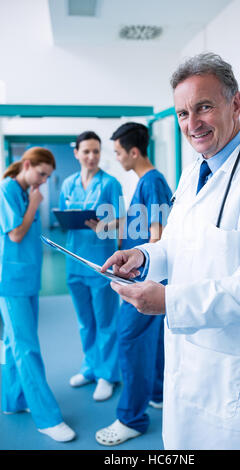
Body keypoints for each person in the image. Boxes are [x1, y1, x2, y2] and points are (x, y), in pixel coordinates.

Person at [99, 53, 240, 450]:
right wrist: (145, 256)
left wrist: (170, 300)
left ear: (235, 104)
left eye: (204, 107)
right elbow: (180, 242)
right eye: (182, 113)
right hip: (188, 361)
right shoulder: (195, 170)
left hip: (238, 373)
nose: (192, 124)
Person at [95, 122, 172, 446]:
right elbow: (142, 221)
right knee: (151, 342)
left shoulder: (152, 181)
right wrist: (112, 224)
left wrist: (139, 274)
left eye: (118, 153)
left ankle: (132, 418)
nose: (117, 158)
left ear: (134, 151)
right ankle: (156, 393)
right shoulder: (146, 182)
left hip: (145, 280)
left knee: (129, 342)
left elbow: (157, 236)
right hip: (145, 275)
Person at [0, 147, 76, 442]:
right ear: (27, 165)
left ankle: (13, 400)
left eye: (47, 178)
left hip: (27, 278)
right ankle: (47, 418)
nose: (43, 181)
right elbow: (15, 234)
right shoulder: (8, 188)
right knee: (26, 347)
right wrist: (34, 203)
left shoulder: (23, 188)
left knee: (11, 343)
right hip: (12, 281)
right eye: (41, 174)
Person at [59, 131, 125, 401]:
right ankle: (90, 367)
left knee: (106, 321)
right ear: (76, 153)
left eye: (96, 151)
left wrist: (104, 227)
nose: (91, 156)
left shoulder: (110, 183)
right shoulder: (68, 184)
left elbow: (123, 219)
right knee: (85, 322)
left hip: (100, 263)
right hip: (73, 260)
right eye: (86, 151)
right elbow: (62, 217)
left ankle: (107, 375)